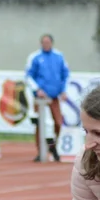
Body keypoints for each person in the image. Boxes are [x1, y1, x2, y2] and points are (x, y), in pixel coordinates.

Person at [25, 34, 70, 162]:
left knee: (58, 122)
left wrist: (64, 91)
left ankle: (52, 146)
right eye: (44, 42)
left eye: (48, 42)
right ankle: (40, 151)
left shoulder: (59, 56)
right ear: (41, 43)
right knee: (41, 124)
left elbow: (65, 75)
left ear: (52, 43)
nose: (46, 44)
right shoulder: (35, 57)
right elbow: (28, 76)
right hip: (40, 99)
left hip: (54, 96)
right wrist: (37, 89)